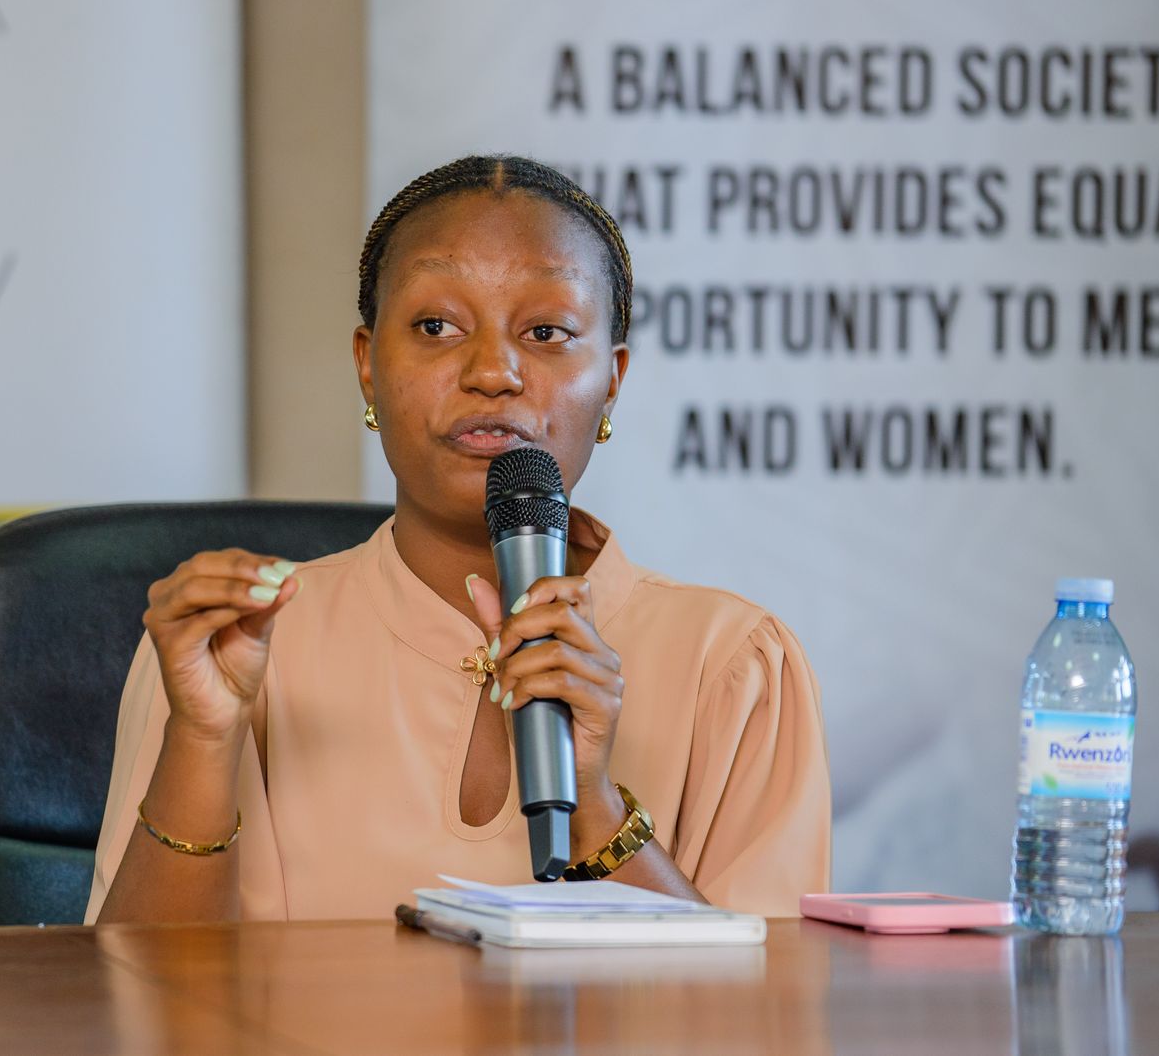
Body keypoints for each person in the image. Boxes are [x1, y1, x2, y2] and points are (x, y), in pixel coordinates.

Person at [87, 155, 829, 922]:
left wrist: (596, 808)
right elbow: (133, 991)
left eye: (546, 331)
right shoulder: (231, 646)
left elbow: (771, 994)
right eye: (437, 326)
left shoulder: (735, 666)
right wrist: (204, 739)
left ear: (612, 380)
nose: (493, 372)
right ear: (367, 366)